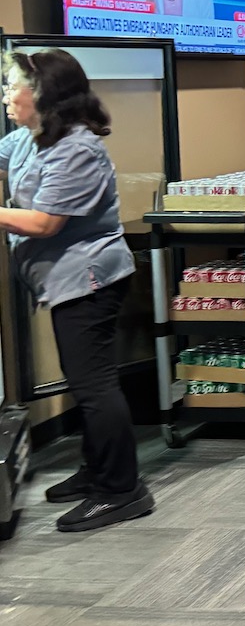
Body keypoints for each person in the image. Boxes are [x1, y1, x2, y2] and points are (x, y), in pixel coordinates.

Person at [0, 50, 152, 532]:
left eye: (13, 87)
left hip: (88, 281)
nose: (6, 96)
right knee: (84, 381)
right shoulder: (32, 138)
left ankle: (122, 490)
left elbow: (45, 222)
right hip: (62, 281)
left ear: (43, 95)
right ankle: (97, 470)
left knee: (93, 386)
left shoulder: (78, 149)